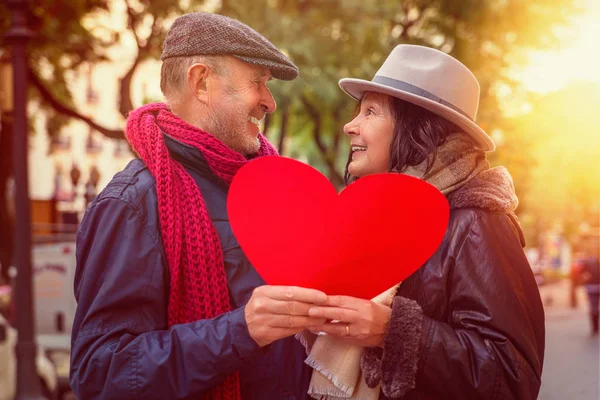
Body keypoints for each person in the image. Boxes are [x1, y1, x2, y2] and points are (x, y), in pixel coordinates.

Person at [70, 13, 328, 400]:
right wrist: (241, 329)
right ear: (201, 81)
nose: (269, 103)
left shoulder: (268, 188)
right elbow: (99, 373)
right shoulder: (133, 203)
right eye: (258, 82)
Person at [306, 45, 545, 399]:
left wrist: (391, 331)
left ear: (418, 128)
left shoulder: (476, 222)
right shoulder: (374, 222)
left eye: (370, 111)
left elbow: (512, 376)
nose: (349, 125)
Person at [579, 233, 600, 335]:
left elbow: (582, 273)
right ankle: (595, 327)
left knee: (594, 307)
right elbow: (582, 273)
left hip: (593, 287)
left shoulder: (588, 261)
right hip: (592, 287)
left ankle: (595, 327)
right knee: (594, 307)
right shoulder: (587, 261)